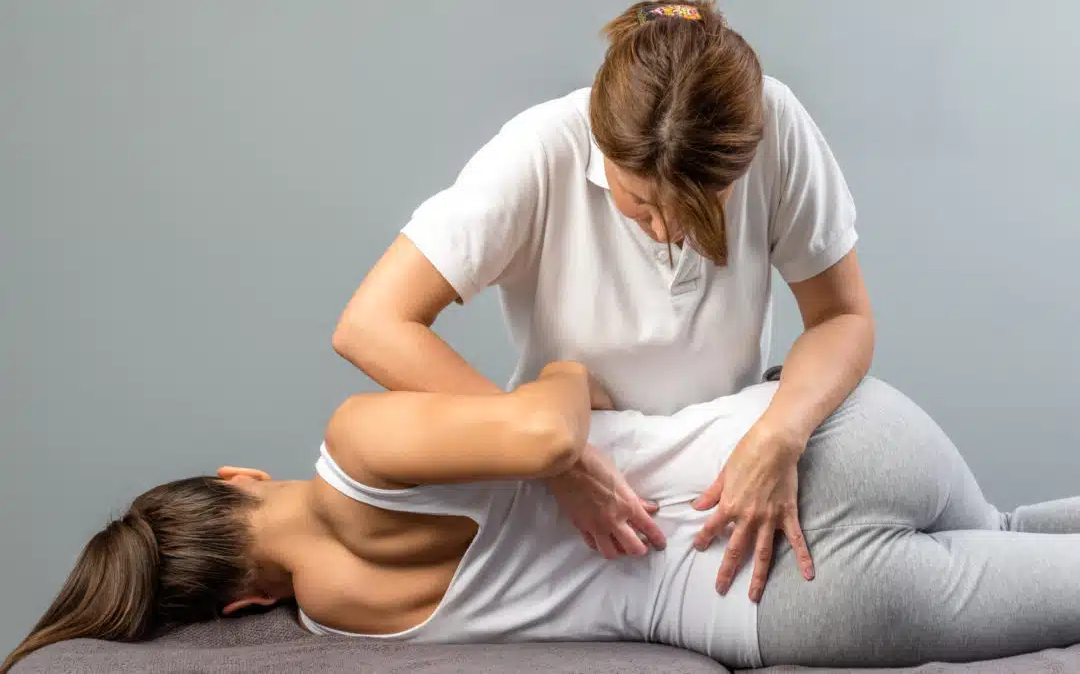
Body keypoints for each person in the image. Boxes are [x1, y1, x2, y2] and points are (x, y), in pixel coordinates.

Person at [7, 366, 1080, 672]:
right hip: (822, 437)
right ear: (237, 476)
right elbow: (546, 423)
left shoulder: (339, 619)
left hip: (766, 603)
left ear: (242, 602)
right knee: (1009, 526)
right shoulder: (359, 445)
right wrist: (558, 383)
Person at [331, 0, 874, 601]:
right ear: (600, 137)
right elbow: (371, 323)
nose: (666, 230)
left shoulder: (777, 123)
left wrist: (780, 436)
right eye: (640, 203)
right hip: (580, 479)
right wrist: (547, 455)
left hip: (732, 459)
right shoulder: (539, 150)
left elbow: (841, 316)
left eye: (702, 206)